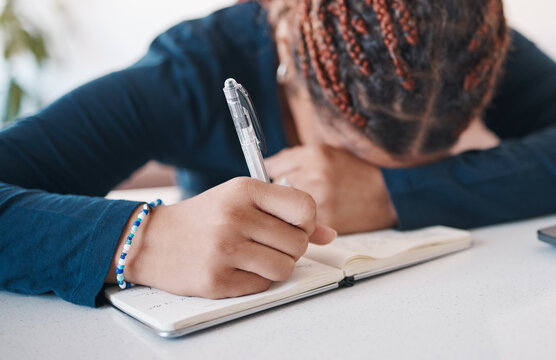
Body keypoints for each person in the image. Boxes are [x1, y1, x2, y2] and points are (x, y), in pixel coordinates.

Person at [1, 0, 555, 307]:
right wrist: (140, 242)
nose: (386, 167)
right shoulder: (188, 73)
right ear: (288, 44)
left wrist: (392, 192)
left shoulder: (452, 37)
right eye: (353, 149)